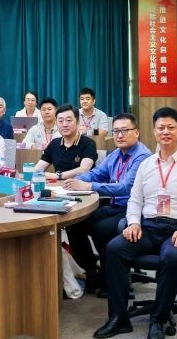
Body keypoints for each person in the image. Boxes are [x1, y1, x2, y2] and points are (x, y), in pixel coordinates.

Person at [95, 107, 177, 339]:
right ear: (154, 131)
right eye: (161, 127)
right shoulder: (146, 165)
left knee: (172, 257)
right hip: (148, 226)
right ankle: (119, 317)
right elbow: (135, 200)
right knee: (114, 249)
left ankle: (158, 319)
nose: (165, 132)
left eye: (171, 127)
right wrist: (133, 223)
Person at [60, 114, 150, 293]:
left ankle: (114, 279)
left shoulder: (142, 156)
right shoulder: (116, 154)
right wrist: (75, 181)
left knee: (101, 229)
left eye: (125, 130)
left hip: (135, 210)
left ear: (136, 132)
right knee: (74, 223)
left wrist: (88, 186)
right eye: (116, 131)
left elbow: (125, 188)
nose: (119, 135)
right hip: (115, 205)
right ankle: (92, 273)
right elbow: (96, 174)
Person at [39, 107, 98, 175]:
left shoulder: (88, 144)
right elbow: (39, 168)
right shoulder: (54, 143)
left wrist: (58, 176)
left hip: (80, 181)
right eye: (60, 121)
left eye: (69, 120)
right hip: (58, 182)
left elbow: (84, 170)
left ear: (78, 123)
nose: (64, 125)